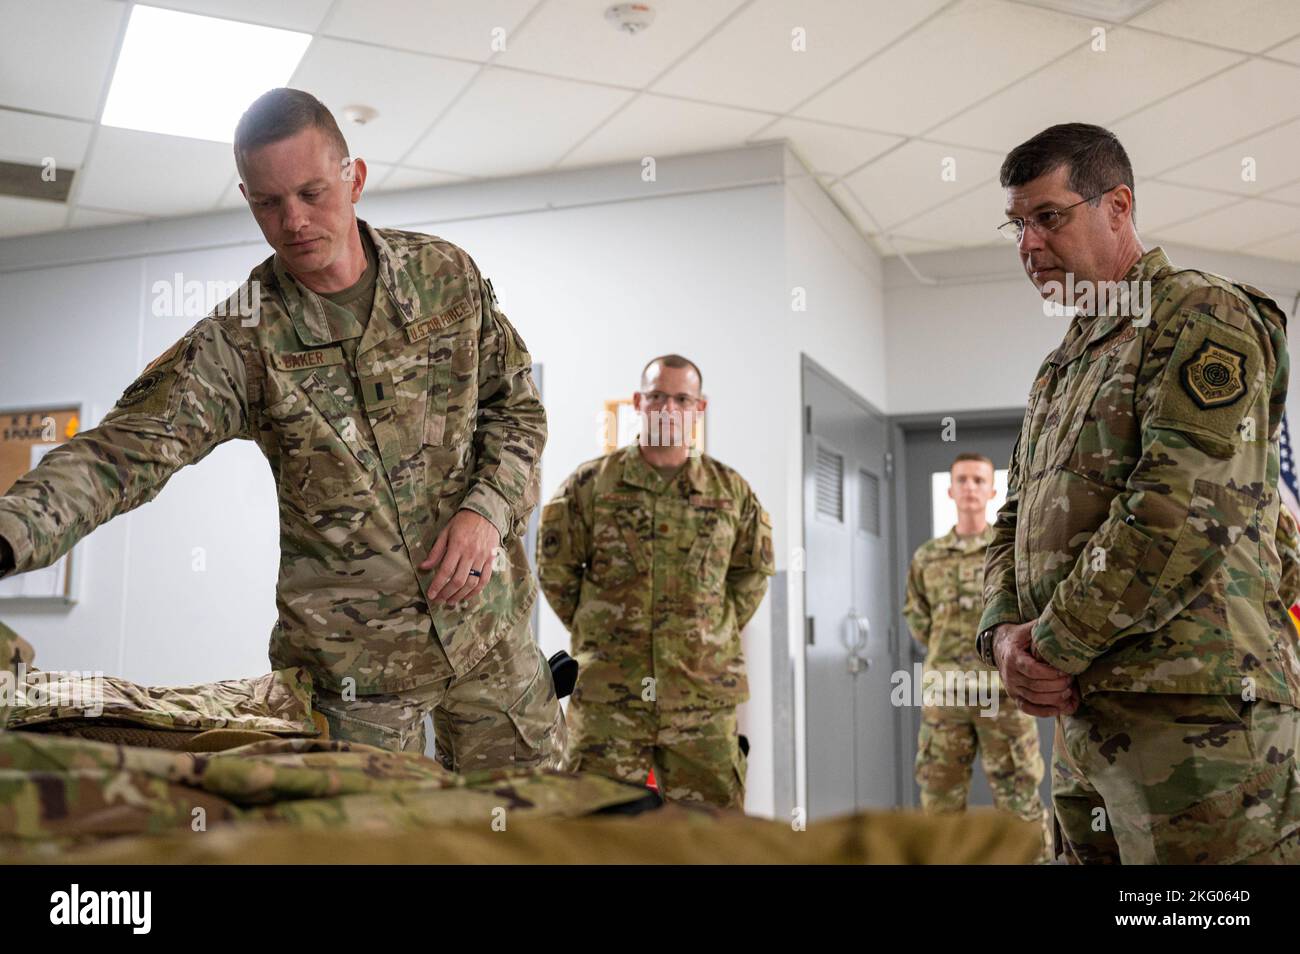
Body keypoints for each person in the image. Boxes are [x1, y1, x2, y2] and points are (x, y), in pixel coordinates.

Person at [0, 88, 563, 770]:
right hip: (355, 679)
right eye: (268, 202)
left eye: (311, 192)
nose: (292, 220)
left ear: (354, 179)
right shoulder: (243, 336)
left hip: (490, 640)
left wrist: (487, 509)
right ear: (247, 198)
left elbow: (516, 408)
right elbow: (123, 452)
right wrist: (9, 534)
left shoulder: (447, 277)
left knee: (534, 834)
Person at [975, 122, 1300, 864]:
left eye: (1048, 217)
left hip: (1197, 717)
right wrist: (1002, 638)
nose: (1028, 245)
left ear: (1117, 205)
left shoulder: (1200, 314)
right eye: (1017, 225)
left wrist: (1048, 647)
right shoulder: (1063, 364)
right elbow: (1014, 518)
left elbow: (1179, 510)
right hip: (1089, 720)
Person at [536, 355, 774, 808]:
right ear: (639, 403)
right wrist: (608, 631)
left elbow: (751, 575)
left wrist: (703, 632)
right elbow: (557, 573)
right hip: (610, 696)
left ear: (698, 409)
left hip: (700, 698)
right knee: (597, 828)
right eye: (658, 396)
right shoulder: (589, 487)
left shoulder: (731, 492)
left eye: (682, 398)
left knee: (711, 834)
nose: (669, 407)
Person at [903, 453, 1049, 859]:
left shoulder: (1006, 554)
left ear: (992, 490)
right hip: (945, 697)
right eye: (962, 480)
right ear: (950, 490)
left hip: (1001, 695)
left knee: (1018, 797)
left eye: (978, 480)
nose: (969, 487)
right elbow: (918, 617)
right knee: (939, 801)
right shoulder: (926, 557)